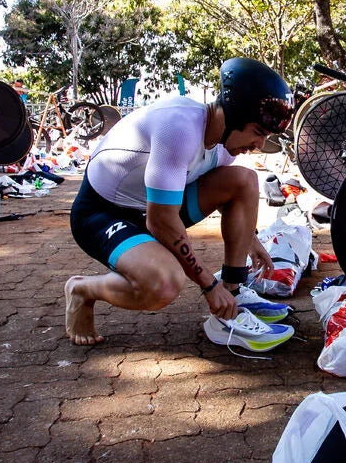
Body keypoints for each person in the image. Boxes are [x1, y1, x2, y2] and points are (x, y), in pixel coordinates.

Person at [64, 57, 296, 348]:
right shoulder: (179, 127)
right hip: (102, 214)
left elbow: (229, 197)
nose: (259, 145)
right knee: (163, 283)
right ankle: (83, 289)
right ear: (235, 116)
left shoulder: (225, 142)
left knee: (246, 180)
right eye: (258, 133)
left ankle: (233, 296)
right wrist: (208, 285)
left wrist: (250, 240)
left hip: (150, 208)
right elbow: (161, 221)